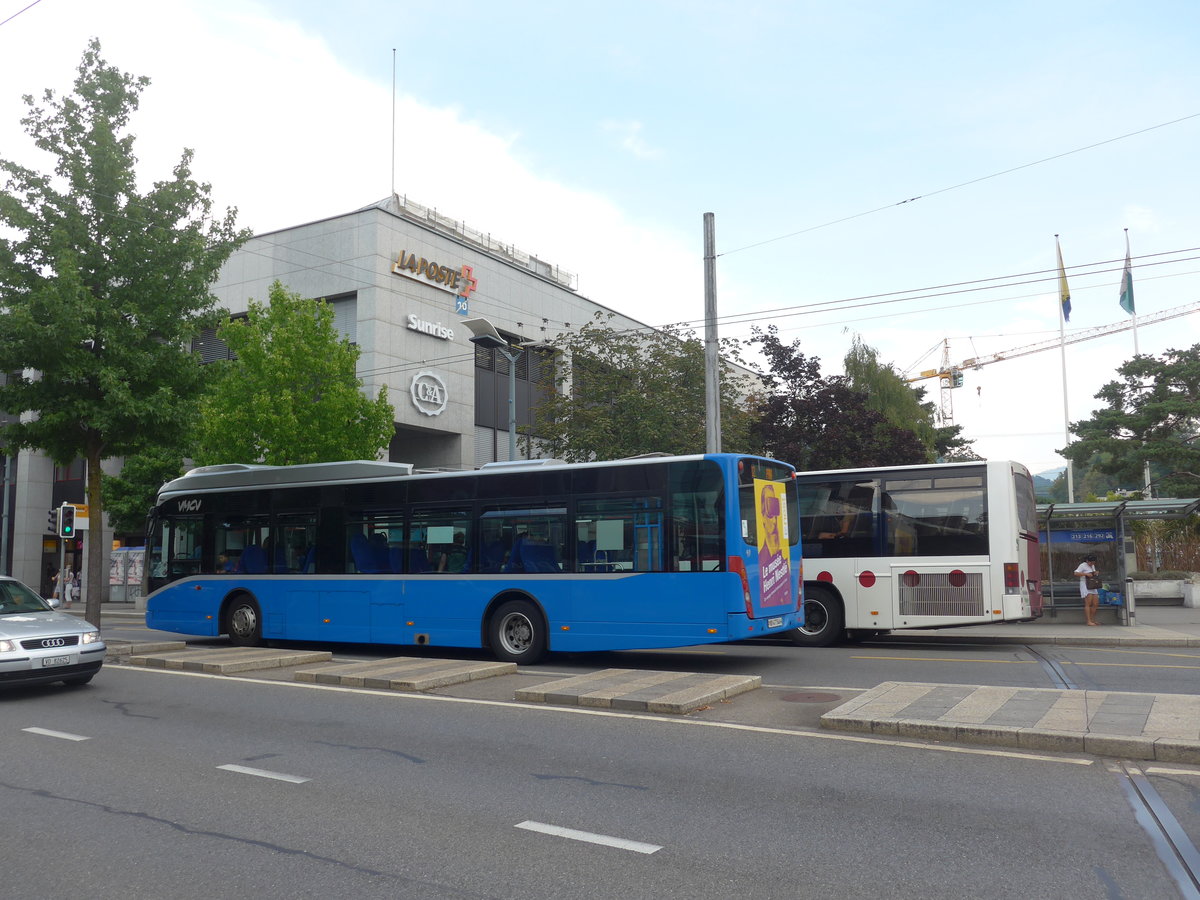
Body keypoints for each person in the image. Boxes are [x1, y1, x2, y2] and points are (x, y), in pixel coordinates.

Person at [1074, 554, 1100, 626]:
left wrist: (1095, 573)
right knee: (1088, 602)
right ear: (1087, 561)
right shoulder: (1083, 565)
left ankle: (1092, 619)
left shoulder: (1092, 566)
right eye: (1090, 562)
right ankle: (1088, 620)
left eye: (1093, 563)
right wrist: (1086, 574)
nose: (1092, 564)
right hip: (1085, 584)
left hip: (1092, 584)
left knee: (1095, 603)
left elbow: (1093, 573)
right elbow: (1076, 573)